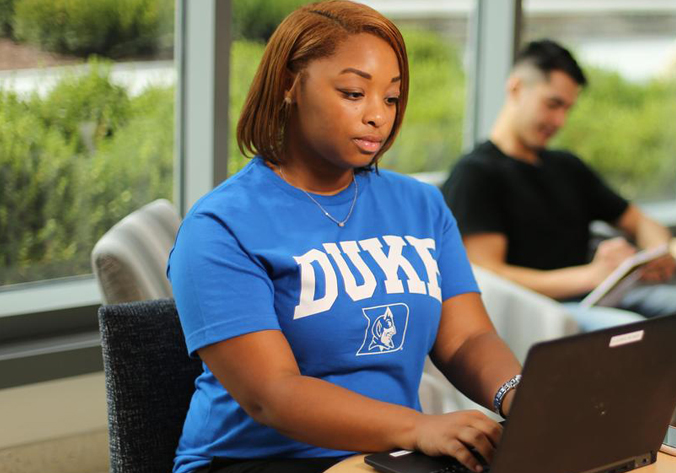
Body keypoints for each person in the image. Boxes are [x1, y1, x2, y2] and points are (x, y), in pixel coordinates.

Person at [167, 3, 521, 472]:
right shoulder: (221, 227)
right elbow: (273, 395)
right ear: (290, 85)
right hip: (255, 460)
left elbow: (466, 339)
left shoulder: (421, 206)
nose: (378, 116)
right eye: (354, 93)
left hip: (388, 457)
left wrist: (518, 396)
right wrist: (420, 427)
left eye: (391, 99)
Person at [440, 39, 676, 435]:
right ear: (516, 89)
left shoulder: (566, 166)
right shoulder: (477, 174)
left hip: (614, 290)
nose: (561, 119)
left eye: (568, 107)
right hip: (552, 307)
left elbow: (641, 221)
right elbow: (488, 274)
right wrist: (589, 275)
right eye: (553, 103)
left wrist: (656, 251)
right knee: (636, 335)